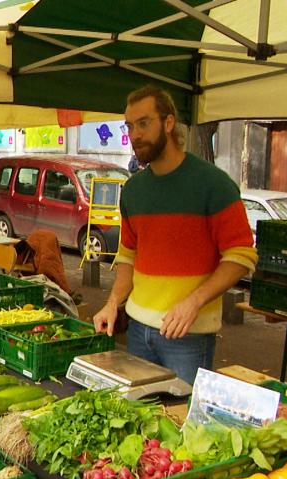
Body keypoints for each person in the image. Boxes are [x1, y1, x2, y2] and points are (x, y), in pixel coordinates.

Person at [92, 85, 258, 385]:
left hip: (188, 336)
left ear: (169, 123)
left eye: (144, 123)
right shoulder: (133, 190)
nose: (136, 134)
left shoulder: (214, 185)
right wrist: (112, 302)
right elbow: (128, 256)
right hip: (138, 331)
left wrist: (193, 302)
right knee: (139, 420)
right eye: (130, 126)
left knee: (183, 425)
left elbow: (241, 257)